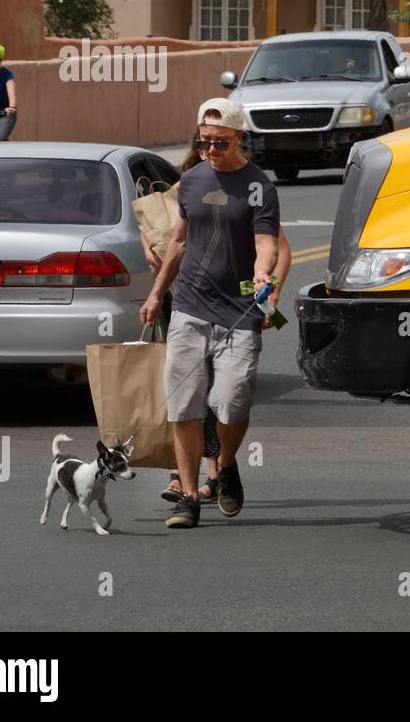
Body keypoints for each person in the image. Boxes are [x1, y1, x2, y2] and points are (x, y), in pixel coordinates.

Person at [140, 98, 281, 529]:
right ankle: (187, 495)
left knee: (231, 403)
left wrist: (262, 274)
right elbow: (179, 243)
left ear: (240, 137)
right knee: (183, 406)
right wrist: (156, 292)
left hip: (238, 311)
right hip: (189, 306)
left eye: (221, 141)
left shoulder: (259, 186)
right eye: (206, 140)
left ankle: (228, 462)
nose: (212, 147)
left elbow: (267, 242)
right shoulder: (190, 180)